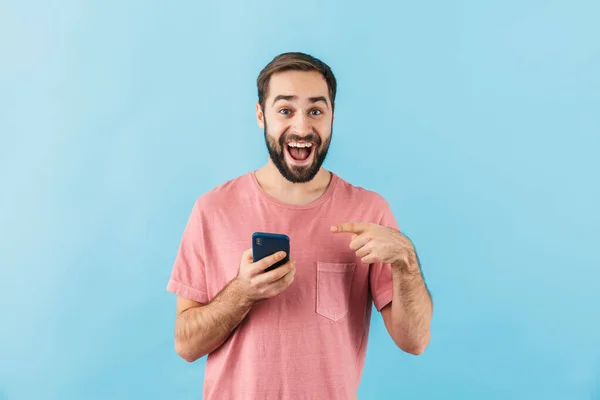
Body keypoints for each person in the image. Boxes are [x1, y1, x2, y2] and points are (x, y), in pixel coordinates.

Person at [166, 52, 433, 399]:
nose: (302, 128)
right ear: (262, 116)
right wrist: (242, 292)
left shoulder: (369, 211)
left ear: (333, 115)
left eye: (316, 111)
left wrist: (406, 260)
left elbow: (414, 342)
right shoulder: (212, 209)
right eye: (286, 110)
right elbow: (186, 345)